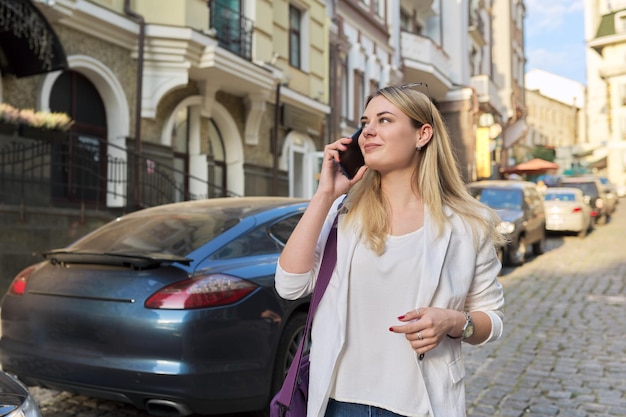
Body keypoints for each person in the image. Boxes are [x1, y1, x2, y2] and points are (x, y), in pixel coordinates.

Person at [274, 84, 506, 417]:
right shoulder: (344, 213)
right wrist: (324, 195)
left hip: (423, 404)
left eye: (384, 120)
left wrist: (454, 322)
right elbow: (290, 285)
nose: (368, 130)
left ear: (422, 134)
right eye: (365, 122)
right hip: (338, 402)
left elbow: (492, 319)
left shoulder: (469, 224)